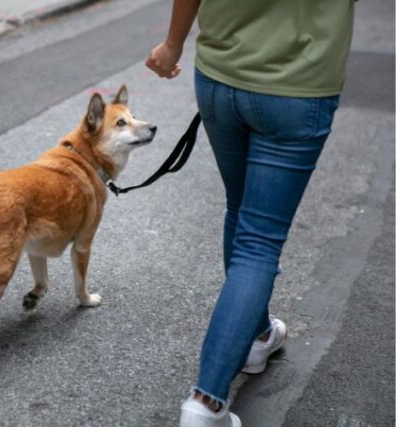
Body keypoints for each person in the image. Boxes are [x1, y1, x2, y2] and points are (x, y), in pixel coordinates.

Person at [146, 0, 355, 426]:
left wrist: (172, 44)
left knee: (241, 213)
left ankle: (259, 336)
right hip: (296, 86)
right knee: (258, 242)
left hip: (221, 78)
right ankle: (206, 404)